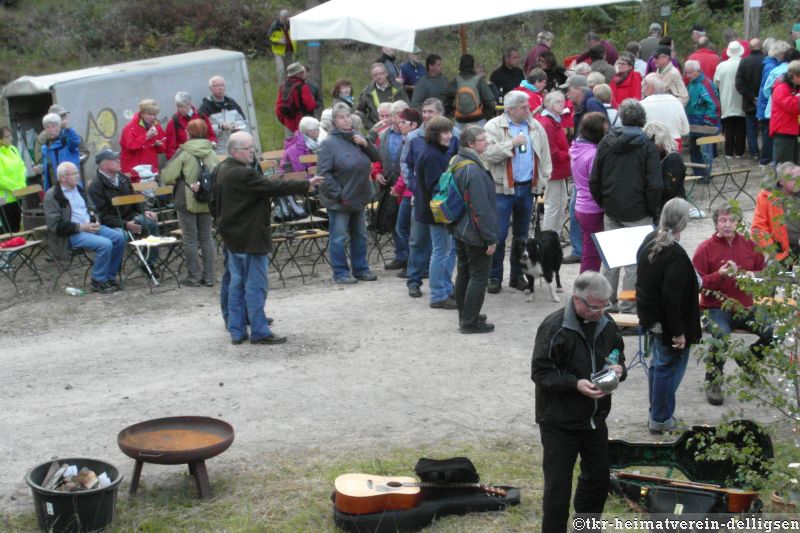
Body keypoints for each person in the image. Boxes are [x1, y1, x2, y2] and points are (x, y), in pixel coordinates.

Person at [532, 271, 626, 533]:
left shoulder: (608, 324)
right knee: (558, 489)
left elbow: (619, 358)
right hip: (558, 422)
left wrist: (619, 371)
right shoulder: (554, 327)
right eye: (595, 306)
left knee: (597, 480)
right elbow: (541, 373)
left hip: (595, 419)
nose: (600, 312)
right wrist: (575, 384)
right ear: (577, 300)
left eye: (605, 305)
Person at [211, 132, 322, 345]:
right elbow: (271, 187)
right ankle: (259, 331)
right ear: (235, 151)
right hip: (250, 237)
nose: (253, 151)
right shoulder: (242, 173)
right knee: (255, 286)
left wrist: (221, 224)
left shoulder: (222, 169)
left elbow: (213, 200)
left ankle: (237, 330)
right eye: (248, 148)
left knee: (237, 284)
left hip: (233, 237)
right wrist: (305, 184)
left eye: (252, 146)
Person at [692, 204, 772, 405]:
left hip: (745, 307)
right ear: (716, 223)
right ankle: (714, 381)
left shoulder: (749, 244)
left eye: (732, 220)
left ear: (739, 222)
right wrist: (720, 275)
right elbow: (696, 285)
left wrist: (751, 275)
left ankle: (747, 359)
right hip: (715, 308)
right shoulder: (705, 249)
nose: (727, 225)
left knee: (775, 332)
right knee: (721, 335)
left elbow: (764, 275)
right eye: (723, 220)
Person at [636, 198, 701, 434]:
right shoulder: (673, 253)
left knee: (658, 366)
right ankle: (661, 418)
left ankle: (657, 413)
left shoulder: (649, 240)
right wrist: (679, 333)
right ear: (683, 222)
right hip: (667, 324)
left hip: (652, 319)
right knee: (667, 368)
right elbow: (671, 299)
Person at [590, 99, 661, 313]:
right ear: (642, 119)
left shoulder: (605, 142)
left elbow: (594, 178)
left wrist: (604, 202)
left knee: (611, 259)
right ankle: (629, 308)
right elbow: (654, 183)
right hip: (638, 211)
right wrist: (653, 210)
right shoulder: (647, 145)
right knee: (634, 263)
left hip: (612, 208)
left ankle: (605, 303)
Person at [483, 90, 552, 293]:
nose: (529, 110)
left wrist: (544, 179)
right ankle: (495, 277)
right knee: (499, 234)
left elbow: (545, 155)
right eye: (524, 107)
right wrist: (511, 144)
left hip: (526, 188)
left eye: (528, 106)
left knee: (522, 237)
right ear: (510, 109)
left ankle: (517, 276)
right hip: (502, 190)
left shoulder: (535, 126)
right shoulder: (493, 126)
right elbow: (487, 154)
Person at [318, 104, 381, 284]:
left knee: (360, 235)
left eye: (348, 116)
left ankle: (361, 269)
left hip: (359, 196)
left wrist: (366, 144)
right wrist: (339, 194)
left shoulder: (357, 138)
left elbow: (377, 158)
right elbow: (323, 174)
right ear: (334, 122)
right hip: (340, 200)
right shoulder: (328, 144)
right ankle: (340, 273)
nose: (346, 119)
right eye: (341, 117)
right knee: (339, 237)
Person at [43, 161, 126, 294]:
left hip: (90, 227)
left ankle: (109, 277)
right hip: (70, 234)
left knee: (121, 236)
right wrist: (81, 227)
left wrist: (95, 220)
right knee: (105, 244)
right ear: (63, 178)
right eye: (74, 174)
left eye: (77, 173)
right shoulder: (53, 195)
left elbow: (93, 209)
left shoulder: (79, 190)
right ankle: (98, 281)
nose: (78, 176)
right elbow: (55, 226)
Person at [447, 125, 498, 333]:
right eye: (482, 139)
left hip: (459, 227)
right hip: (474, 231)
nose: (486, 142)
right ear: (470, 144)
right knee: (479, 276)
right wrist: (490, 238)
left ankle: (466, 315)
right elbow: (481, 208)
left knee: (465, 272)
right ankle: (470, 322)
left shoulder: (456, 161)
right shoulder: (473, 170)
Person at [161, 119, 219, 287]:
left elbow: (167, 176)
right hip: (207, 199)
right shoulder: (211, 152)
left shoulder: (184, 152)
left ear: (188, 132)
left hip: (186, 200)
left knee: (190, 239)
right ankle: (209, 276)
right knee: (207, 238)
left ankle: (194, 276)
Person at [402, 98, 449, 295]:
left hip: (444, 199)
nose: (426, 115)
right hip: (422, 197)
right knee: (418, 240)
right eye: (424, 112)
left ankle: (443, 283)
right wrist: (415, 187)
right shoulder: (414, 138)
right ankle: (414, 279)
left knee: (443, 246)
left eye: (430, 112)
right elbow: (406, 165)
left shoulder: (452, 135)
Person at [88, 147, 159, 272]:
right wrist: (125, 224)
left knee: (150, 222)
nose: (118, 160)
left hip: (130, 217)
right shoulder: (95, 186)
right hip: (112, 223)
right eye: (114, 159)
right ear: (104, 164)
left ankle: (149, 263)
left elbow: (135, 199)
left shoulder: (122, 178)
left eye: (117, 158)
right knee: (122, 235)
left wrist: (144, 210)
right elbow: (102, 216)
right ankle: (114, 270)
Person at [414, 116, 460, 309]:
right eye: (444, 132)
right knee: (441, 251)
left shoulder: (438, 152)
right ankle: (438, 294)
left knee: (446, 251)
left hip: (436, 209)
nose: (449, 135)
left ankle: (445, 289)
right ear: (435, 134)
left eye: (450, 131)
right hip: (437, 211)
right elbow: (435, 186)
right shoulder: (433, 155)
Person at [571, 112, 609, 273]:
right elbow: (598, 182)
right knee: (593, 255)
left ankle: (584, 286)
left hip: (582, 206)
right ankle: (586, 290)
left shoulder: (577, 148)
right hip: (593, 208)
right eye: (605, 131)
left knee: (589, 252)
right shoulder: (593, 154)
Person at [387, 107, 422, 274]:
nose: (399, 124)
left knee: (405, 229)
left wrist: (399, 187)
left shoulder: (413, 141)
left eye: (403, 122)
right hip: (405, 191)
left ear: (414, 124)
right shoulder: (407, 139)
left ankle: (414, 264)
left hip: (411, 192)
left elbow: (408, 169)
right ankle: (409, 261)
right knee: (404, 229)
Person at [752, 161, 800, 262]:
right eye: (792, 179)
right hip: (781, 252)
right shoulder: (767, 197)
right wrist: (771, 250)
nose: (797, 181)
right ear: (781, 181)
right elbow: (758, 228)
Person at [537, 92, 570, 237]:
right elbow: (552, 152)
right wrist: (569, 154)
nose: (562, 104)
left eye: (563, 101)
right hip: (553, 170)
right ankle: (548, 238)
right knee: (552, 206)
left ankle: (555, 235)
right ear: (549, 105)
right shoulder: (547, 123)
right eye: (558, 102)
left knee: (561, 203)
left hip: (559, 170)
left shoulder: (554, 120)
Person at [684, 59, 721, 182]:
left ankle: (705, 175)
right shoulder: (691, 84)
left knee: (705, 150)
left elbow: (714, 105)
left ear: (697, 71)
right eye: (686, 73)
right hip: (692, 122)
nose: (687, 75)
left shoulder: (705, 84)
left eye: (690, 73)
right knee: (693, 148)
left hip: (704, 123)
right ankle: (697, 172)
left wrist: (708, 123)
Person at [199, 76, 249, 155]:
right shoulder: (205, 107)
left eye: (222, 85)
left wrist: (235, 126)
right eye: (217, 86)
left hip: (235, 148)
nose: (220, 88)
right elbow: (201, 130)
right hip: (217, 150)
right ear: (210, 88)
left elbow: (244, 122)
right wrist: (220, 127)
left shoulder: (232, 103)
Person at [443, 54, 496, 128]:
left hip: (460, 120)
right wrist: (486, 116)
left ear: (460, 65)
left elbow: (445, 98)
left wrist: (451, 112)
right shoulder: (479, 80)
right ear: (473, 65)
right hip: (478, 120)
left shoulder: (456, 80)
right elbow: (490, 100)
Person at [119, 99, 166, 184]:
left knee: (152, 195)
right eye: (149, 114)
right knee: (135, 196)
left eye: (154, 114)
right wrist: (146, 136)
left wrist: (159, 144)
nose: (152, 117)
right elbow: (130, 146)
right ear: (142, 113)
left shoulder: (156, 126)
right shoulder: (129, 128)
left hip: (150, 171)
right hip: (133, 172)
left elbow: (164, 147)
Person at [640, 73, 690, 152]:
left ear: (651, 88)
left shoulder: (642, 104)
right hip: (674, 145)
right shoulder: (676, 102)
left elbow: (640, 131)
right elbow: (685, 130)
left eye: (644, 86)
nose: (642, 89)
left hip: (650, 147)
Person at [714, 41, 746, 158]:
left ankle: (728, 152)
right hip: (741, 99)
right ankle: (739, 152)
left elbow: (716, 83)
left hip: (726, 99)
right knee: (741, 127)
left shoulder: (721, 66)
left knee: (728, 127)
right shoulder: (743, 63)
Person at [734, 38, 765, 159]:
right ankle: (765, 152)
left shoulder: (744, 62)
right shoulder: (766, 61)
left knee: (751, 129)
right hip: (765, 101)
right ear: (761, 47)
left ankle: (754, 152)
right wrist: (760, 98)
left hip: (749, 101)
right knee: (765, 129)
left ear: (749, 48)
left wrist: (752, 98)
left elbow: (739, 84)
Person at [644, 121, 686, 209]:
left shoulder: (673, 159)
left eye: (653, 143)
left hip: (673, 208)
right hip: (663, 206)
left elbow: (668, 189)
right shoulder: (658, 156)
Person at [356, 62, 409, 131]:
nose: (378, 76)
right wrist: (372, 127)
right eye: (375, 75)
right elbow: (359, 112)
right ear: (372, 77)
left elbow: (407, 108)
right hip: (378, 131)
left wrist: (402, 123)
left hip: (398, 129)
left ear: (386, 73)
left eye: (381, 73)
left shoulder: (398, 87)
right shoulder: (367, 92)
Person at [165, 91, 216, 160]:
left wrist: (212, 143)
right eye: (178, 106)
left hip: (203, 156)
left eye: (182, 106)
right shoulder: (174, 121)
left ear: (189, 104)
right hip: (184, 159)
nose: (180, 109)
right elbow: (170, 148)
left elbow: (211, 135)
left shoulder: (201, 116)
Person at [38, 112, 81, 191]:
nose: (51, 130)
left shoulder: (67, 143)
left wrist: (68, 129)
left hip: (72, 188)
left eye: (53, 126)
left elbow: (76, 141)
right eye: (47, 127)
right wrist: (41, 168)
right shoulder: (45, 148)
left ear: (59, 128)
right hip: (54, 191)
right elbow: (48, 170)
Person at [769, 60, 800, 164]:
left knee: (794, 165)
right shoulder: (781, 88)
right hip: (783, 131)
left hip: (793, 130)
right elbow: (792, 107)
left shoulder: (794, 86)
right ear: (794, 76)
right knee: (784, 166)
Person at [275, 62, 317, 133]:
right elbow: (311, 106)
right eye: (302, 72)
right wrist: (316, 103)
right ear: (298, 74)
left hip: (288, 122)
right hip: (303, 123)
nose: (304, 74)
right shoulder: (302, 86)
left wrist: (285, 121)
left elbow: (278, 108)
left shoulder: (283, 86)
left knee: (292, 143)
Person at [0, 126, 27, 232]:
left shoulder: (14, 149)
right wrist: (16, 188)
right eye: (7, 137)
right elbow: (1, 178)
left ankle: (17, 247)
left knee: (17, 225)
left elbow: (22, 168)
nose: (10, 139)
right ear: (0, 139)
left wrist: (22, 187)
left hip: (18, 195)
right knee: (8, 229)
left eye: (10, 136)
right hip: (5, 199)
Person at [269, 8, 294, 84]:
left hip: (289, 51)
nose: (284, 20)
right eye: (283, 18)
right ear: (280, 17)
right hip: (278, 52)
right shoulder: (275, 25)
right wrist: (279, 41)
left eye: (286, 18)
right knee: (281, 71)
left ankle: (289, 87)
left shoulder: (291, 24)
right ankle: (282, 89)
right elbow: (269, 38)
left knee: (290, 70)